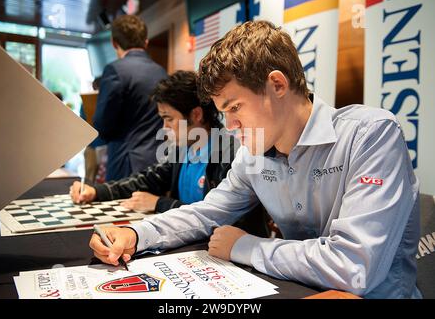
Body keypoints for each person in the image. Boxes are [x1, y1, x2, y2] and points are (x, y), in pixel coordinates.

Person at [88, 21, 420, 298]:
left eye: (234, 108)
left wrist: (246, 247)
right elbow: (208, 211)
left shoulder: (371, 134)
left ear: (277, 84)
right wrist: (136, 234)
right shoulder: (254, 152)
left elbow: (353, 267)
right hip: (300, 289)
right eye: (223, 112)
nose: (230, 128)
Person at [71, 71, 239, 214]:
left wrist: (160, 204)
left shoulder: (229, 154)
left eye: (169, 119)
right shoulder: (181, 150)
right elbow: (148, 179)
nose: (164, 127)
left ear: (196, 115)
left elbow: (218, 216)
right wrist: (97, 191)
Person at [93, 14, 167, 181]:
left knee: (119, 207)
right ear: (145, 42)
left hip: (126, 163)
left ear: (114, 43)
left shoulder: (115, 71)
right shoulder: (162, 72)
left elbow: (102, 124)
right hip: (160, 162)